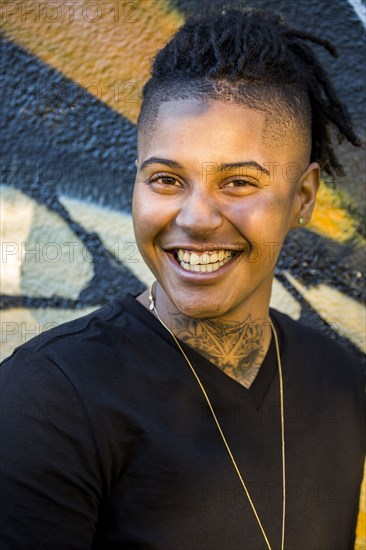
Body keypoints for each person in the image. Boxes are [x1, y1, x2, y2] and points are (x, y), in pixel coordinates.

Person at [1, 8, 365, 550]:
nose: (195, 218)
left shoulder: (343, 381)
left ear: (303, 198)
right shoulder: (46, 400)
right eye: (166, 179)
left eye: (239, 182)